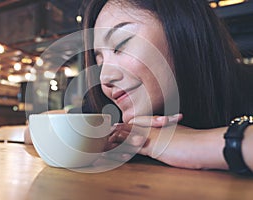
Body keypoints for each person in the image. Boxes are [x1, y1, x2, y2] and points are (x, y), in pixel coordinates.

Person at [26, 0, 253, 175]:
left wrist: (196, 144)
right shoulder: (113, 121)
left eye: (121, 44)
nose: (104, 76)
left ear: (181, 27)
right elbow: (34, 128)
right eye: (99, 60)